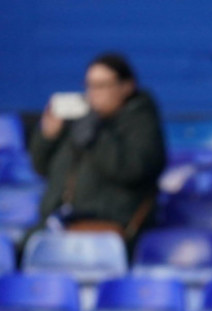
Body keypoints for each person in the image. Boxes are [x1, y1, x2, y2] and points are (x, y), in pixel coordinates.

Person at [28, 52, 166, 251]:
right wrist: (47, 137)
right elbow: (42, 167)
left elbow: (133, 169)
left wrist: (96, 138)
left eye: (101, 86)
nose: (93, 93)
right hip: (57, 225)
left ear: (127, 87)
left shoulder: (141, 120)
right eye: (89, 85)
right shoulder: (81, 119)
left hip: (107, 229)